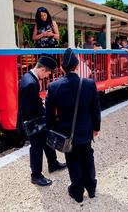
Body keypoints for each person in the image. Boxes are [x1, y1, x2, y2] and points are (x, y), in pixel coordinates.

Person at [46, 48, 101, 203]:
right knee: (88, 157)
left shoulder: (53, 86)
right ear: (77, 67)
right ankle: (91, 189)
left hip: (66, 134)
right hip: (85, 131)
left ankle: (77, 192)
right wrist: (96, 128)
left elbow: (49, 115)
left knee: (73, 160)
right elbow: (95, 110)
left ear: (62, 68)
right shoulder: (89, 84)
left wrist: (53, 129)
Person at [18, 55, 66, 186]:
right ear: (43, 69)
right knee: (36, 148)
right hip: (34, 122)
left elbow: (32, 101)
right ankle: (36, 175)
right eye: (48, 73)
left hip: (36, 120)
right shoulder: (31, 84)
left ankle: (53, 164)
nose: (47, 76)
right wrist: (46, 110)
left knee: (48, 142)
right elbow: (30, 109)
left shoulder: (28, 77)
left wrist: (41, 102)